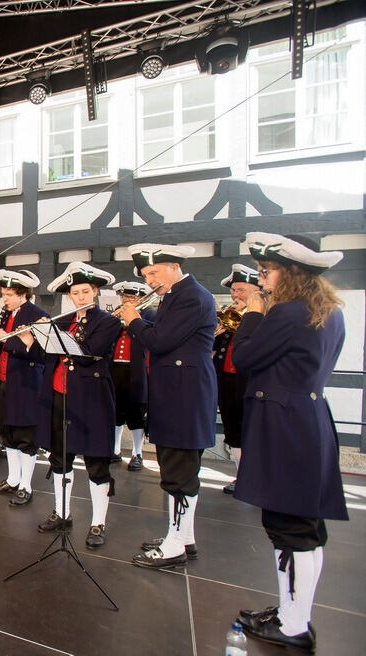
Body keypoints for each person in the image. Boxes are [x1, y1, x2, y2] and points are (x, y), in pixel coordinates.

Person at [231, 232, 346, 654]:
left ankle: (295, 624)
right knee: (304, 528)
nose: (261, 281)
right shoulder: (328, 311)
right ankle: (291, 612)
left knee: (290, 528)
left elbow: (243, 358)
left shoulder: (287, 313)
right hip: (307, 422)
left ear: (292, 272)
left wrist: (254, 314)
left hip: (283, 426)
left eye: (266, 272)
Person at [119, 244, 216, 569]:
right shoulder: (180, 295)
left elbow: (159, 341)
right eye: (146, 275)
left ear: (174, 266)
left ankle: (175, 544)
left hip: (183, 396)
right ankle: (182, 537)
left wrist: (133, 319)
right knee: (182, 473)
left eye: (153, 273)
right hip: (180, 393)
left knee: (178, 474)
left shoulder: (189, 296)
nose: (149, 281)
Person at [34, 263, 122, 548]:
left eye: (85, 291)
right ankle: (62, 512)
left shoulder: (108, 321)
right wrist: (34, 336)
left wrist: (57, 336)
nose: (81, 297)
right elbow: (48, 355)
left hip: (91, 400)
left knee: (96, 461)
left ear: (95, 291)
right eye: (75, 293)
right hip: (60, 395)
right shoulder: (60, 321)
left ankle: (98, 522)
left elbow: (89, 353)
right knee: (60, 458)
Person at [0, 269, 49, 507]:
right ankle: (12, 478)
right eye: (3, 294)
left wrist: (6, 339)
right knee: (7, 433)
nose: (4, 299)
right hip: (3, 382)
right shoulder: (5, 314)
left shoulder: (38, 315)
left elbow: (42, 354)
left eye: (9, 294)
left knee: (25, 437)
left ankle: (26, 485)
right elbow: (1, 348)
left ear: (23, 294)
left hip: (26, 385)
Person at [213, 264, 261, 495]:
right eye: (234, 291)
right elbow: (212, 347)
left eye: (241, 290)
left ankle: (258, 477)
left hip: (252, 382)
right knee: (232, 428)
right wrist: (216, 331)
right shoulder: (227, 313)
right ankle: (240, 475)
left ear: (256, 289)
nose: (235, 295)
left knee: (255, 429)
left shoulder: (266, 314)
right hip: (227, 378)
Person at [109, 281, 155, 471]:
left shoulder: (149, 315)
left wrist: (133, 320)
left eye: (132, 298)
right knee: (115, 412)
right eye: (125, 298)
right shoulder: (116, 314)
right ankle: (115, 450)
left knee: (136, 413)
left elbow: (151, 335)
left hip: (137, 371)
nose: (127, 301)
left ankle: (137, 453)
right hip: (115, 369)